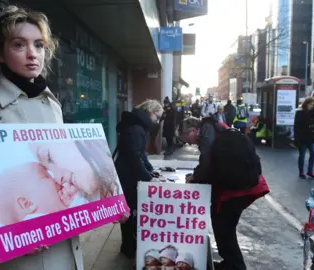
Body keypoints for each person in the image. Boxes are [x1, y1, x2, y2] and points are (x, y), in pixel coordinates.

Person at [0, 6, 128, 269]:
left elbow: (69, 172)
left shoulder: (51, 104)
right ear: (0, 53)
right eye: (19, 45)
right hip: (23, 259)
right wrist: (11, 227)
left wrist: (107, 202)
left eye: (39, 45)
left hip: (68, 248)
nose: (32, 54)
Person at [179, 116, 269, 270]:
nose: (189, 144)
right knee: (223, 226)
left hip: (236, 190)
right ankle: (230, 263)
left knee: (224, 227)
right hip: (240, 185)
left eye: (187, 140)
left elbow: (207, 162)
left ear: (193, 131)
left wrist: (196, 177)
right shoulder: (214, 130)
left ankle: (235, 266)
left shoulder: (207, 135)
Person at [113, 99, 163, 258]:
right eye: (157, 116)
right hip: (128, 177)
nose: (157, 120)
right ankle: (128, 247)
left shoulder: (137, 125)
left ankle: (129, 245)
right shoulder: (136, 128)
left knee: (131, 211)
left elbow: (140, 155)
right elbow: (134, 157)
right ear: (150, 111)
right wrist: (149, 178)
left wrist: (150, 171)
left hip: (128, 174)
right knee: (130, 212)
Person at [294, 96, 314, 179]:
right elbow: (297, 127)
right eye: (310, 104)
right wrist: (297, 138)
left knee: (313, 154)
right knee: (302, 155)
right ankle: (301, 171)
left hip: (312, 137)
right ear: (306, 104)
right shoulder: (300, 113)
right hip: (303, 138)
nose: (311, 106)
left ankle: (310, 171)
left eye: (313, 105)